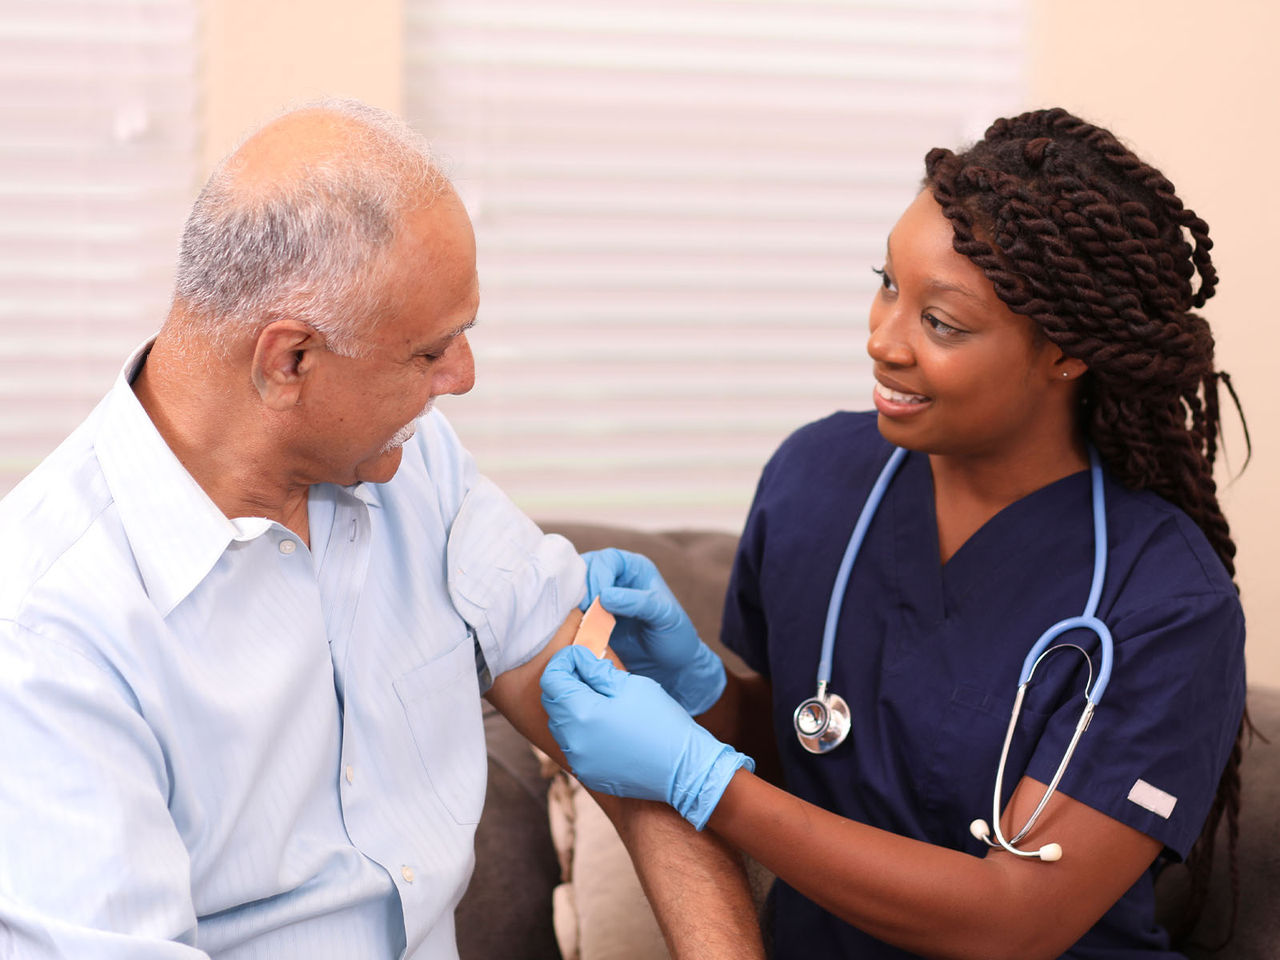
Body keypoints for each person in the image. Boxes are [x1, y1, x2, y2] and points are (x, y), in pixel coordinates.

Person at [0, 99, 763, 959]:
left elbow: (627, 750)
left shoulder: (412, 466)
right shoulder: (43, 636)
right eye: (431, 352)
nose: (463, 378)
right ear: (289, 361)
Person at [539, 107, 1248, 959]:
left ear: (1065, 352)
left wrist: (701, 782)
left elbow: (1013, 918)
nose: (881, 340)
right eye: (886, 284)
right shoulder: (817, 476)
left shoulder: (1166, 602)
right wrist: (699, 695)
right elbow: (821, 740)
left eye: (940, 322)